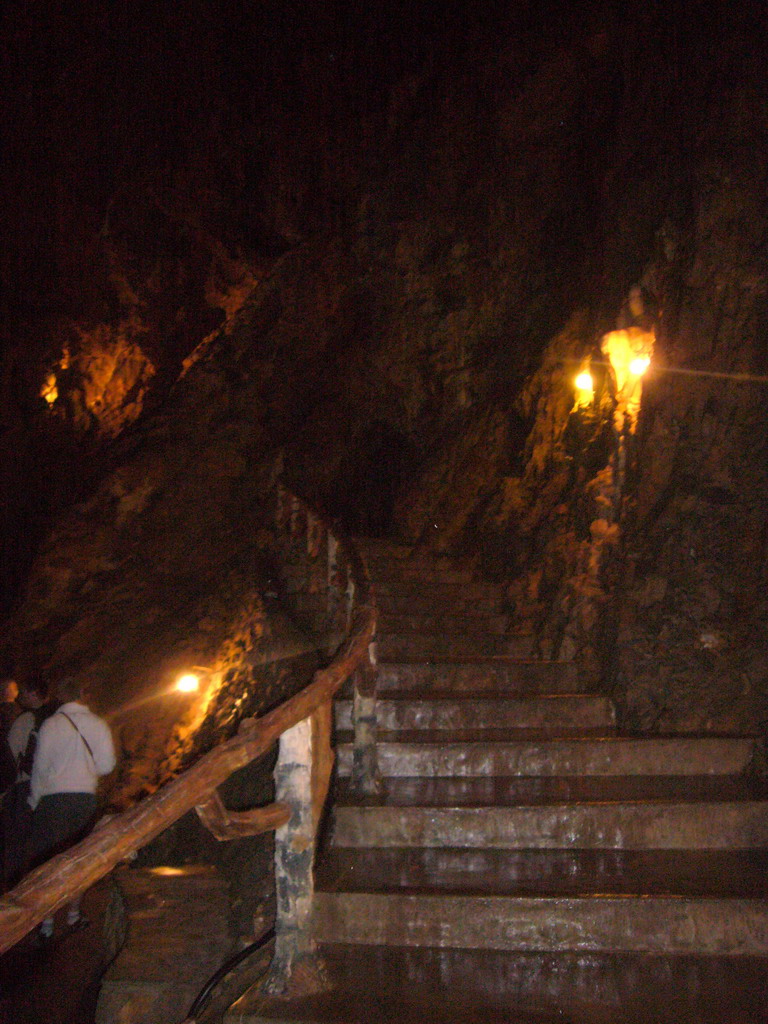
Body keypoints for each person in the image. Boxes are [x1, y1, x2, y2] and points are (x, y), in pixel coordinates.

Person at [28, 676, 116, 941]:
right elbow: (107, 766)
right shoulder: (99, 724)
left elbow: (40, 768)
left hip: (53, 801)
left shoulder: (51, 725)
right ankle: (73, 915)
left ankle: (46, 922)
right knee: (79, 859)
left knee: (50, 862)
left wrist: (34, 800)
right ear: (83, 694)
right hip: (83, 801)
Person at [1, 672, 58, 888]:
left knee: (14, 847)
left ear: (34, 694)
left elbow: (10, 756)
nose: (20, 698)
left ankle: (13, 897)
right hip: (52, 790)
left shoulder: (26, 720)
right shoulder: (59, 719)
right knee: (40, 849)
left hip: (24, 789)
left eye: (23, 693)